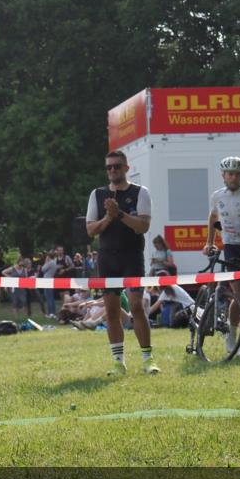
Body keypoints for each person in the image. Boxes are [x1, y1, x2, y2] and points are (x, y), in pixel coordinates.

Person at [85, 149, 159, 375]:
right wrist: (108, 217)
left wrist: (119, 215)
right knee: (112, 310)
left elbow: (143, 227)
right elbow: (90, 230)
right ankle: (119, 361)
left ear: (126, 168)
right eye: (109, 167)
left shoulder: (140, 192)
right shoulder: (97, 194)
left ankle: (148, 358)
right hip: (108, 258)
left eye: (117, 166)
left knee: (137, 306)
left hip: (132, 256)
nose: (112, 170)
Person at [204, 156, 240, 357]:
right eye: (230, 174)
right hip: (231, 247)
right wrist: (209, 242)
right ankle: (231, 336)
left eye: (237, 174)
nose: (234, 177)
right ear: (223, 175)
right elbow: (212, 218)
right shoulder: (217, 196)